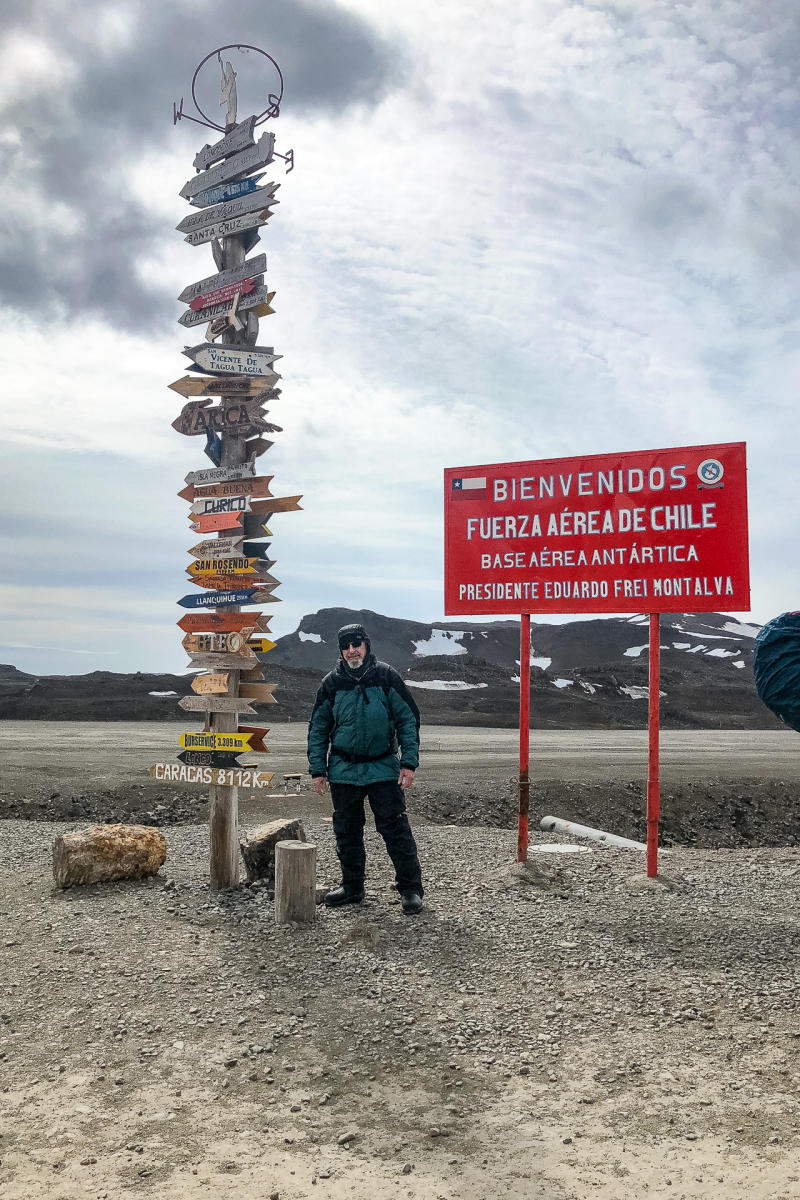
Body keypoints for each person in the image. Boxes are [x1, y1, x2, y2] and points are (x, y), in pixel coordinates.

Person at [307, 622, 424, 915]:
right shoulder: (331, 683)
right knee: (346, 831)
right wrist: (317, 769)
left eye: (356, 643)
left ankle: (410, 890)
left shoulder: (386, 676)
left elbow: (408, 719)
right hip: (343, 770)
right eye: (346, 646)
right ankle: (352, 887)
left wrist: (408, 762)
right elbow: (318, 729)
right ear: (341, 650)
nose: (351, 650)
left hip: (383, 767)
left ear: (366, 645)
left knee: (396, 829)